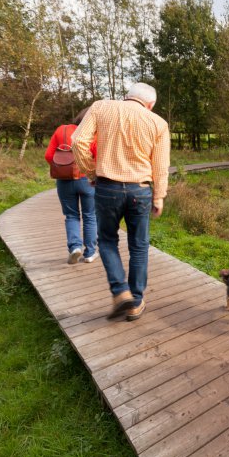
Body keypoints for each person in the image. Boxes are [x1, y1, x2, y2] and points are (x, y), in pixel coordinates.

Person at [72, 82, 170, 322]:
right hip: (140, 190)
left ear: (127, 96)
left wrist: (92, 172)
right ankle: (135, 302)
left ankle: (120, 291)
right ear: (151, 104)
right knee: (139, 245)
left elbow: (78, 141)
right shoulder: (158, 122)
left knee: (107, 241)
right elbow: (160, 165)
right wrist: (159, 196)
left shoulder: (101, 107)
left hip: (107, 187)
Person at [45, 107, 98, 265]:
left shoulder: (62, 130)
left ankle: (75, 248)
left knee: (71, 215)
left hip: (64, 181)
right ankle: (90, 253)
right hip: (87, 180)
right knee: (90, 216)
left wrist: (63, 169)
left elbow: (49, 155)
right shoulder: (93, 135)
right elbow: (98, 156)